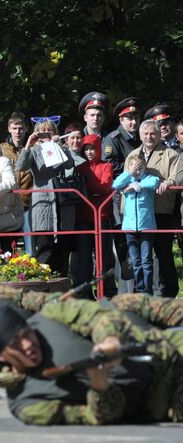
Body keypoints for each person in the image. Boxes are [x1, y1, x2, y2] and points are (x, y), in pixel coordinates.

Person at [0, 302, 183, 425]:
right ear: (1, 355)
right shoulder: (28, 405)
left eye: (26, 334)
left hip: (169, 348)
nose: (27, 344)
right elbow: (97, 417)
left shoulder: (49, 316)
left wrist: (110, 340)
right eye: (16, 344)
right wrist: (100, 387)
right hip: (165, 399)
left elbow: (96, 314)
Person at [15, 120, 77, 276]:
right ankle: (43, 288)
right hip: (43, 204)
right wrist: (28, 144)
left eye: (49, 131)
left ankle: (61, 287)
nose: (46, 134)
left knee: (62, 252)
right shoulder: (35, 150)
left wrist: (60, 146)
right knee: (45, 249)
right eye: (42, 132)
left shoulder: (58, 147)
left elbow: (70, 164)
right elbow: (20, 167)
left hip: (62, 203)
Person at [128, 119, 182, 297]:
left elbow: (176, 177)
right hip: (140, 212)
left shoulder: (171, 154)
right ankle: (143, 292)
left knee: (163, 253)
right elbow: (125, 179)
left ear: (159, 135)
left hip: (161, 210)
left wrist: (168, 182)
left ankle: (166, 293)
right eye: (146, 133)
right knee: (141, 256)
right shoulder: (134, 154)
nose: (149, 137)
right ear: (140, 135)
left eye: (153, 133)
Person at [102, 98, 141, 285]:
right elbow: (110, 166)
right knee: (124, 239)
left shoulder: (141, 137)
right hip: (121, 196)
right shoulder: (113, 139)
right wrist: (133, 170)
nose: (133, 121)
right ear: (121, 120)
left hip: (141, 196)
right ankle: (126, 282)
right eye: (129, 118)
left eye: (135, 117)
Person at [73, 134, 117, 297]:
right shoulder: (80, 167)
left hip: (102, 217)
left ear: (98, 148)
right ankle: (84, 293)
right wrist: (92, 188)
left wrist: (86, 186)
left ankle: (107, 291)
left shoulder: (107, 166)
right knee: (84, 258)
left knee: (104, 257)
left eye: (92, 148)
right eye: (86, 149)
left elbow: (105, 187)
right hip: (83, 216)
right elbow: (92, 188)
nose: (90, 152)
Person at [113, 156, 159, 295]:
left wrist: (139, 186)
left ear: (145, 167)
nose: (137, 170)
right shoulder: (127, 180)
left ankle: (148, 290)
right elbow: (115, 184)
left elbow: (154, 182)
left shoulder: (148, 178)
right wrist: (129, 176)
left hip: (146, 226)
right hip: (130, 227)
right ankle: (139, 290)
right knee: (135, 261)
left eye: (140, 167)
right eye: (134, 167)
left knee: (146, 260)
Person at [0, 113, 33, 254]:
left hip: (28, 203)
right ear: (9, 129)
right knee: (8, 249)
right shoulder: (0, 149)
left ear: (25, 129)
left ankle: (33, 274)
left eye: (20, 128)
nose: (18, 132)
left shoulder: (33, 148)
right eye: (15, 128)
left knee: (31, 247)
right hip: (8, 204)